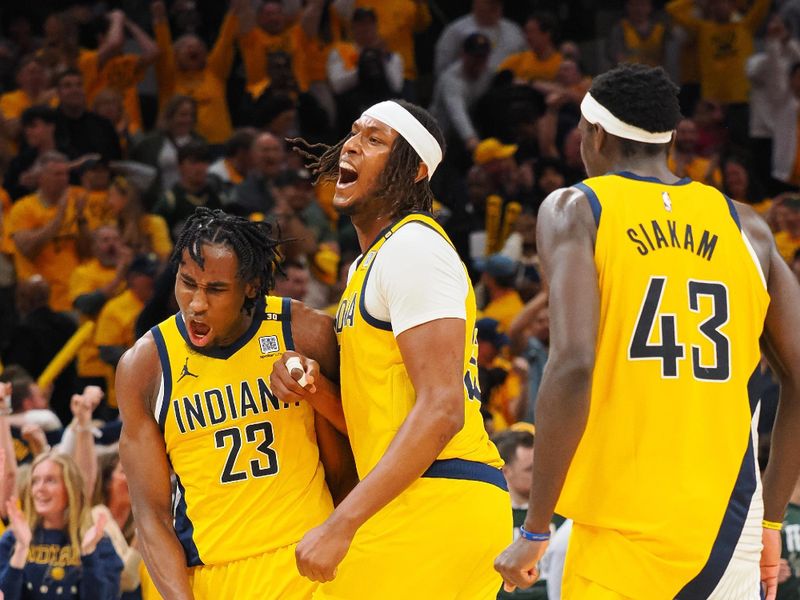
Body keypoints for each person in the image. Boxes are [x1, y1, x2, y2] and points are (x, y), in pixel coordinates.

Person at [494, 63, 800, 600]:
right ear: (671, 139)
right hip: (728, 528)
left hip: (619, 525)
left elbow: (573, 363)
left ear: (596, 134)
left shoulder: (575, 207)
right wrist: (771, 523)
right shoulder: (747, 225)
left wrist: (536, 528)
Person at [287, 98, 511, 598]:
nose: (351, 144)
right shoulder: (370, 263)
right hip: (415, 494)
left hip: (437, 495)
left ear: (413, 172)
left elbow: (442, 408)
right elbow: (381, 420)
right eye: (353, 133)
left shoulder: (415, 249)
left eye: (375, 139)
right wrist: (316, 388)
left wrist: (341, 523)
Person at [117, 207, 354, 599]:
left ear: (251, 286)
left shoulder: (306, 332)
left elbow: (369, 440)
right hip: (214, 573)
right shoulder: (145, 366)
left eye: (215, 289)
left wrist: (317, 390)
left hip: (310, 561)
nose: (195, 304)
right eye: (187, 283)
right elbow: (151, 513)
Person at [0, 452, 123, 599]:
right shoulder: (14, 538)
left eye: (50, 480)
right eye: (35, 481)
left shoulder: (97, 541)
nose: (40, 488)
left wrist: (89, 554)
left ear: (71, 487)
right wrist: (21, 549)